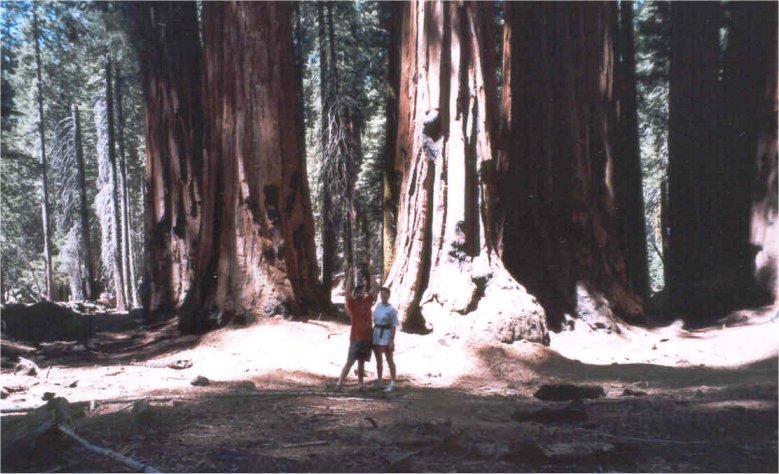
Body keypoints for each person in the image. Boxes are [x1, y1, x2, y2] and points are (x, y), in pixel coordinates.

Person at [336, 265, 378, 390]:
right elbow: (347, 293)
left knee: (361, 363)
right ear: (354, 295)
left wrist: (372, 274)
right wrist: (349, 276)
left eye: (361, 292)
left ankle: (360, 384)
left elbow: (373, 290)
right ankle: (339, 382)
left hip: (367, 337)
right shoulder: (352, 305)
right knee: (350, 361)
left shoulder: (367, 302)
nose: (360, 293)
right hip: (356, 338)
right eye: (357, 292)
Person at [372, 286, 399, 393]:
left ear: (389, 295)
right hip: (376, 334)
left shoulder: (392, 309)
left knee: (389, 359)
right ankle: (380, 381)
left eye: (386, 294)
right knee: (378, 359)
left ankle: (393, 382)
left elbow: (394, 325)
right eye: (382, 293)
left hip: (386, 335)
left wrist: (391, 340)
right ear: (380, 295)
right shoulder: (377, 306)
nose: (384, 295)